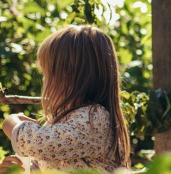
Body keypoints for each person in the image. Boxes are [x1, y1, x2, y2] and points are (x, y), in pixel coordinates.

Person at [1, 25, 130, 173]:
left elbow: (39, 144)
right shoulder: (65, 121)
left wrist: (10, 122)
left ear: (68, 78)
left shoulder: (93, 118)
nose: (44, 80)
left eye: (47, 73)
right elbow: (47, 165)